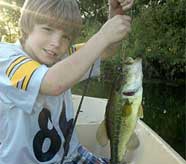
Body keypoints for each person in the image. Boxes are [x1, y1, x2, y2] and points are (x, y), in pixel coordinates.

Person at [0, 0, 133, 163]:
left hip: (72, 156)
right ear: (27, 26)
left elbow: (106, 49)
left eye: (65, 37)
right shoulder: (6, 58)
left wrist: (115, 15)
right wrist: (103, 35)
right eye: (48, 29)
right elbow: (52, 83)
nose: (56, 43)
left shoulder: (62, 56)